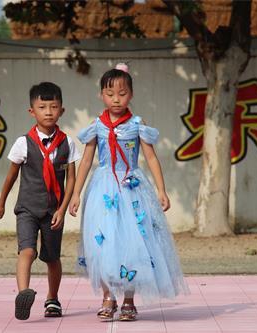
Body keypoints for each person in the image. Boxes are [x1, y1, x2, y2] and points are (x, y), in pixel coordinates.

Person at [69, 63, 189, 322]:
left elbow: (151, 158)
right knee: (102, 244)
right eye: (110, 94)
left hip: (131, 186)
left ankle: (129, 301)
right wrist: (76, 194)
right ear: (101, 94)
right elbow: (87, 160)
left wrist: (161, 190)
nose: (116, 99)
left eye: (122, 94)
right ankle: (107, 297)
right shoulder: (96, 126)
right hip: (102, 189)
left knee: (134, 244)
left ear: (131, 95)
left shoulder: (137, 124)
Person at [0, 82, 80, 320]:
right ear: (32, 111)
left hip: (54, 210)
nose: (49, 112)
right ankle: (24, 294)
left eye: (54, 107)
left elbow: (71, 179)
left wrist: (63, 209)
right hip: (27, 209)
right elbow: (11, 176)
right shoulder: (23, 143)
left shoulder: (67, 143)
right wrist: (1, 202)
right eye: (42, 107)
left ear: (62, 110)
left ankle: (52, 299)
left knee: (52, 257)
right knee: (27, 251)